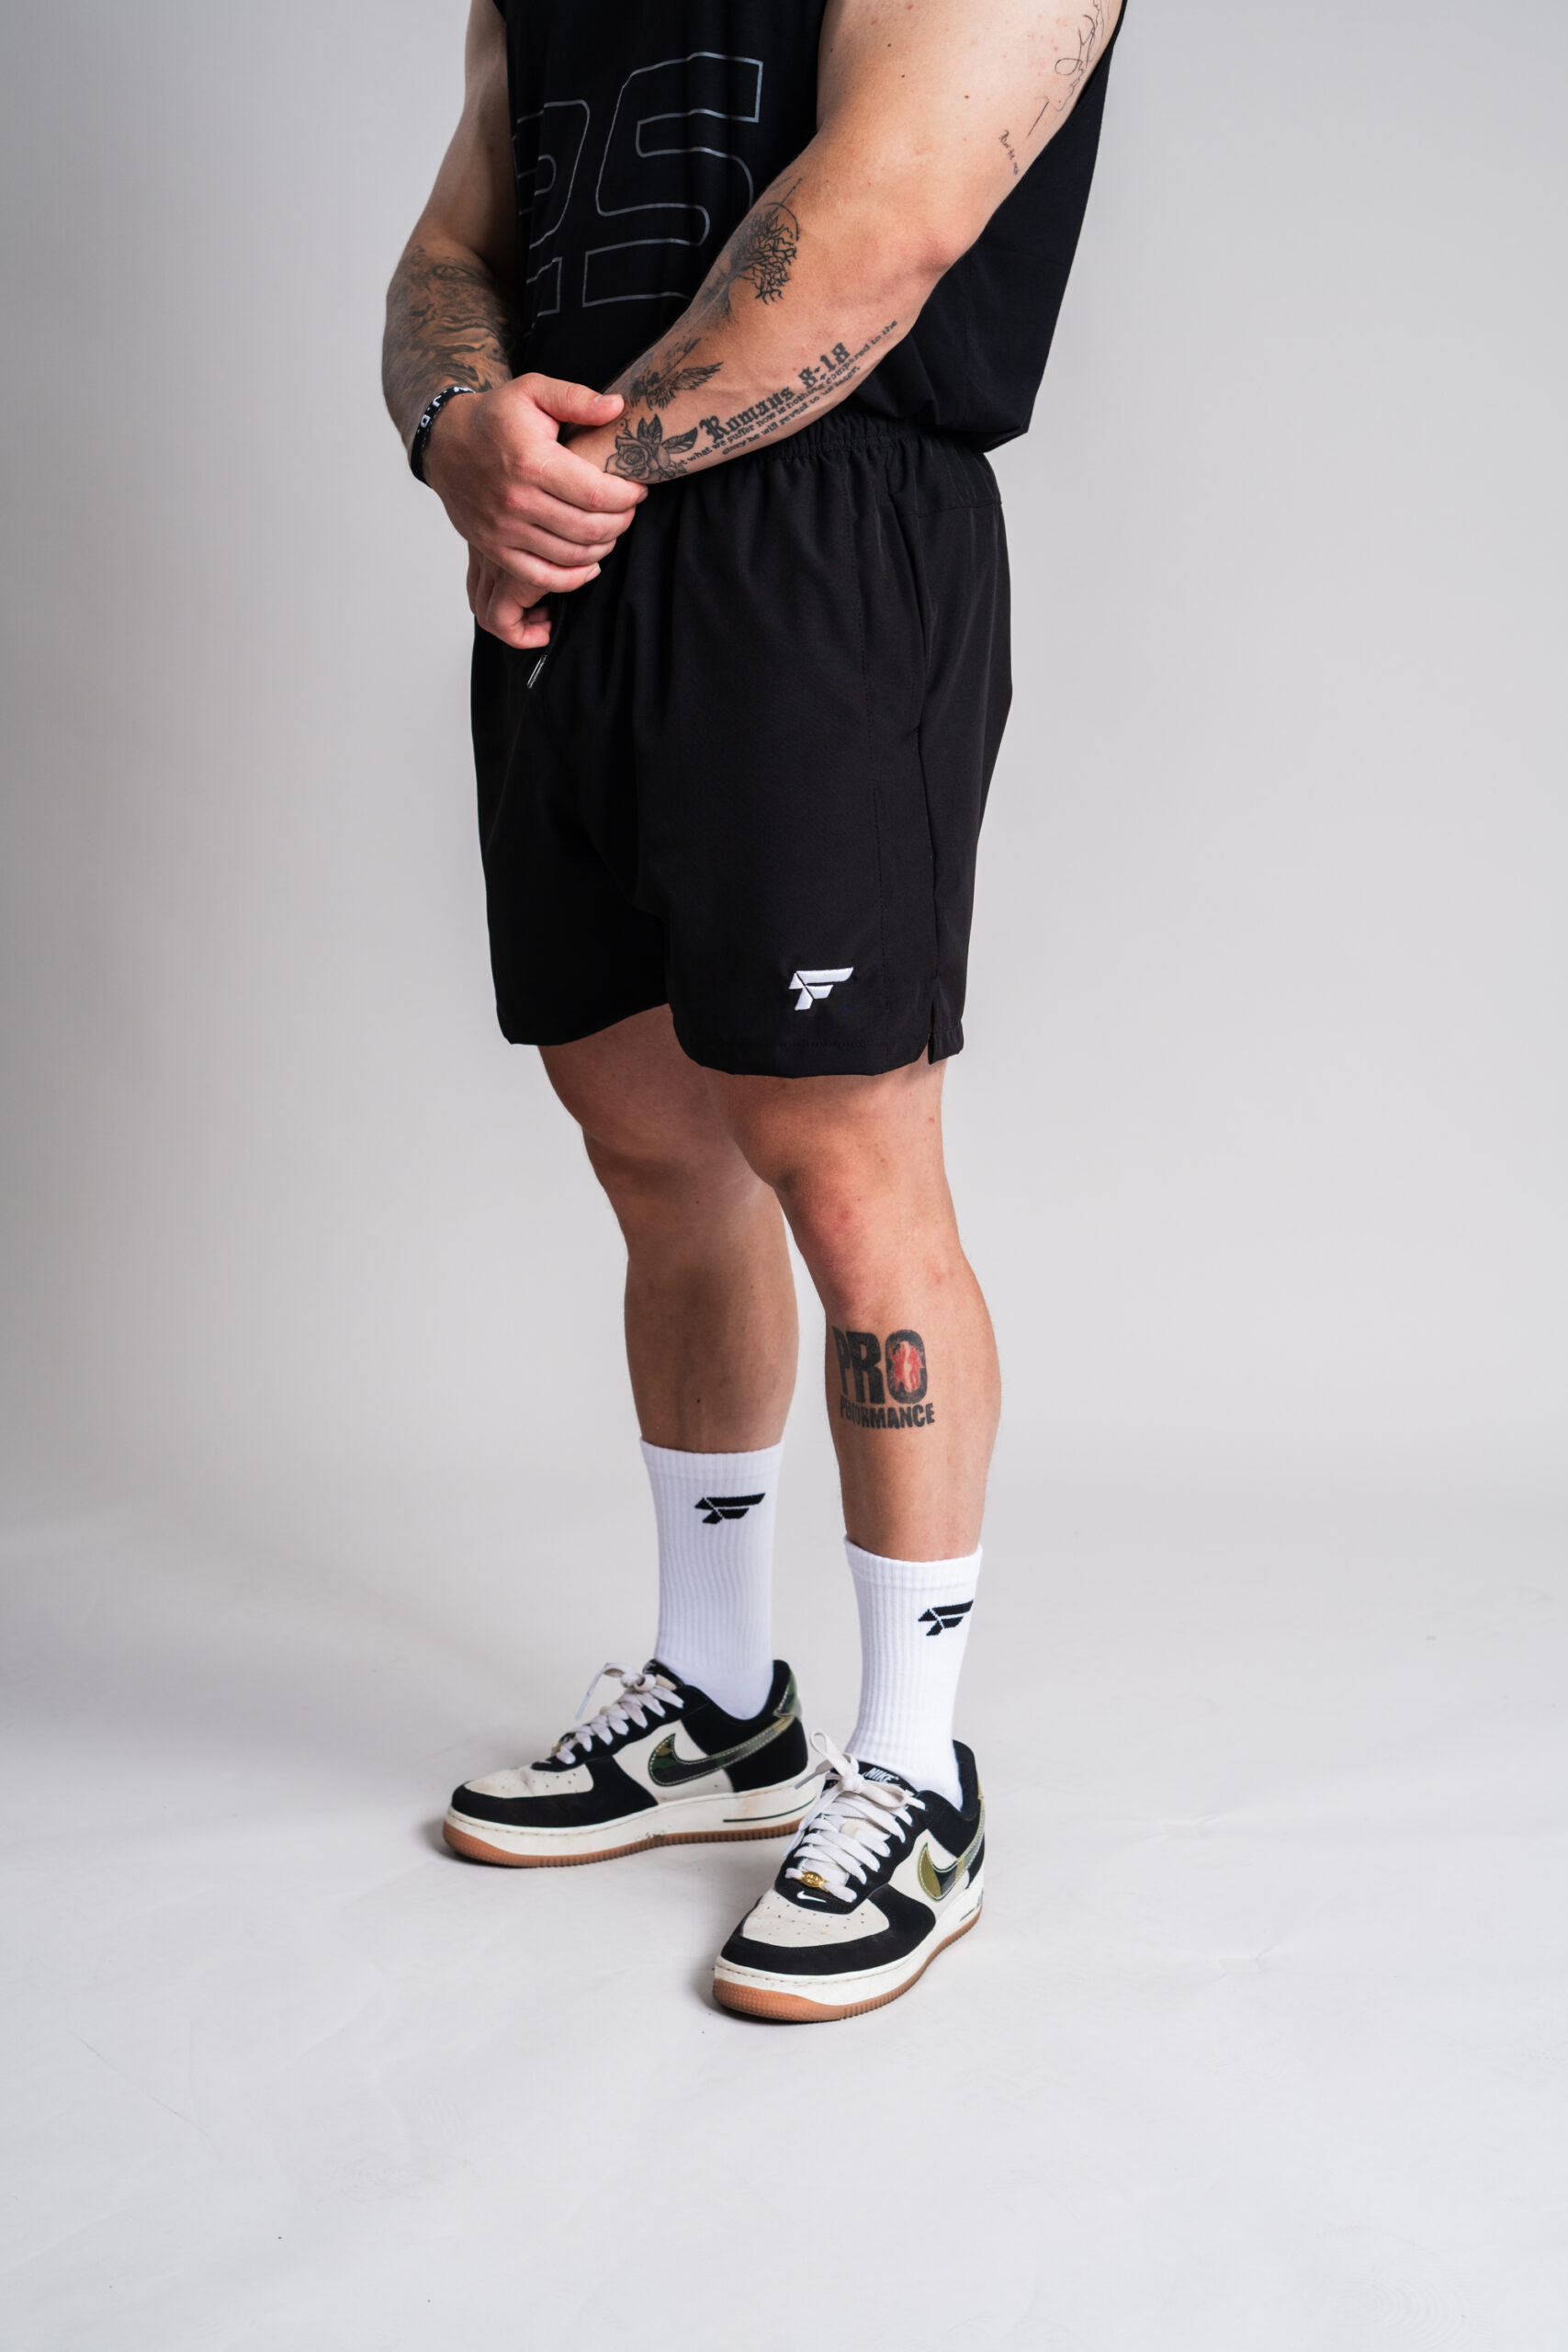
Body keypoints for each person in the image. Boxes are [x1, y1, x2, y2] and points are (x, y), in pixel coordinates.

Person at [382, 0, 1123, 2022]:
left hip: (819, 544)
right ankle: (718, 1696)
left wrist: (560, 476)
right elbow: (455, 237)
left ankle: (915, 1768)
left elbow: (884, 225)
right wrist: (456, 428)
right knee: (647, 1142)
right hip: (575, 565)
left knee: (845, 1167)